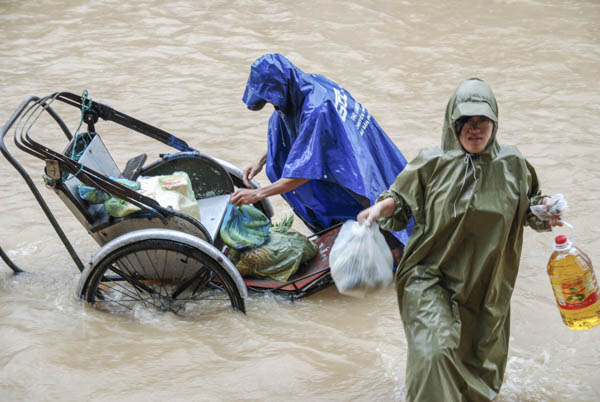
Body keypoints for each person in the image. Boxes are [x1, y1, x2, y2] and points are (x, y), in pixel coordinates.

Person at [357, 78, 562, 401]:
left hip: (486, 284)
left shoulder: (514, 165)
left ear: (495, 122)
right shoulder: (431, 162)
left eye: (483, 120)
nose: (474, 128)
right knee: (434, 351)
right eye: (465, 120)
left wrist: (548, 211)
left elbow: (532, 209)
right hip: (429, 276)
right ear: (452, 123)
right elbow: (400, 198)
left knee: (477, 370)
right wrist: (380, 209)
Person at [231, 53, 413, 248]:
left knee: (381, 217)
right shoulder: (309, 84)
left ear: (281, 91)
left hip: (354, 168)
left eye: (272, 101)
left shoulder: (316, 109)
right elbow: (303, 137)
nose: (273, 106)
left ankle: (396, 255)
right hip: (359, 151)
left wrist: (258, 194)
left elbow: (301, 174)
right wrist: (261, 160)